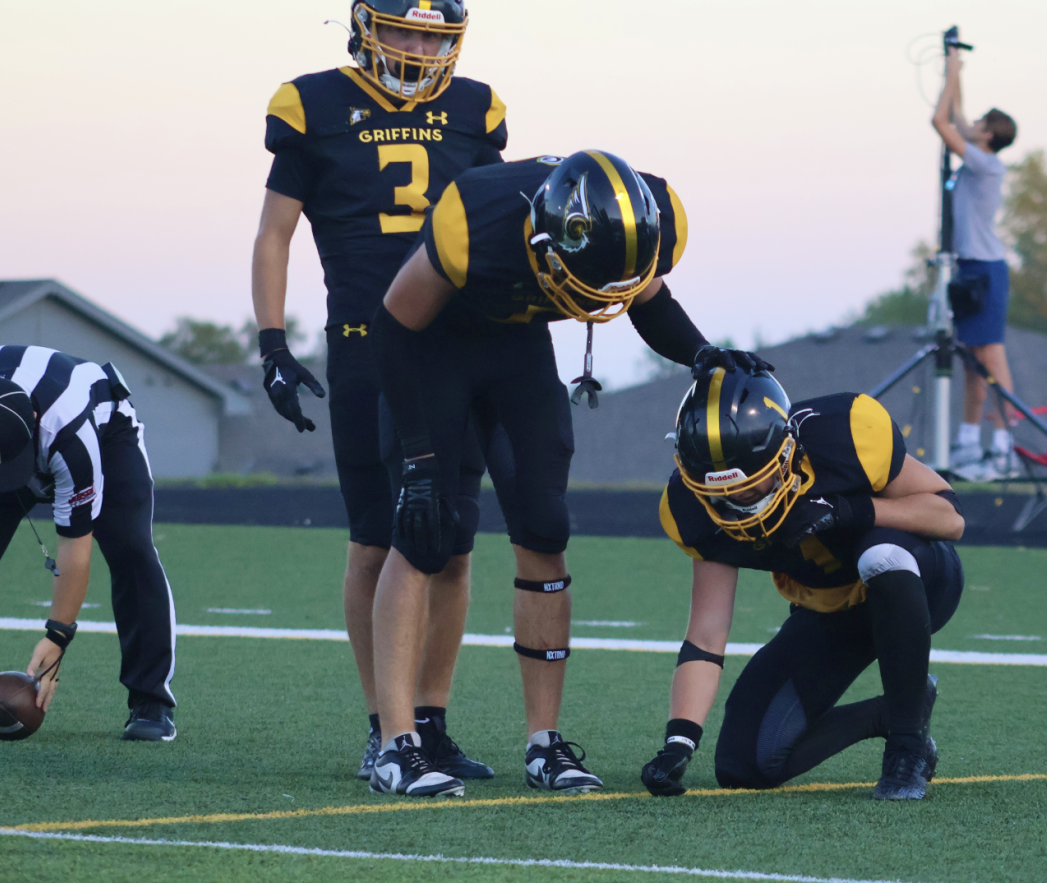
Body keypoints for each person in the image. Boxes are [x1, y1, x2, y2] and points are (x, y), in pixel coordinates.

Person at [369, 149, 771, 797]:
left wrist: (701, 354)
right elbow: (394, 325)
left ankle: (543, 742)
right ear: (547, 242)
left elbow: (646, 295)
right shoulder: (477, 220)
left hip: (518, 352)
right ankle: (397, 744)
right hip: (432, 351)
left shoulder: (633, 220)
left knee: (545, 527)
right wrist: (418, 458)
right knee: (422, 532)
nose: (600, 301)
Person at [251, 0, 509, 781]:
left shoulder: (474, 108)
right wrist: (271, 341)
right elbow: (274, 232)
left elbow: (498, 223)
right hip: (366, 345)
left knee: (454, 545)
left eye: (432, 37)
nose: (416, 47)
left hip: (458, 347)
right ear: (366, 27)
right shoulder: (313, 103)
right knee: (376, 539)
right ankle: (383, 726)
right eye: (403, 30)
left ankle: (429, 722)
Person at [642, 365, 964, 800]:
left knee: (880, 554)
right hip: (832, 612)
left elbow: (949, 516)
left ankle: (906, 746)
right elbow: (706, 634)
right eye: (718, 492)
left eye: (752, 485)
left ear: (785, 450)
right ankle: (892, 711)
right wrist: (679, 741)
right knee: (743, 765)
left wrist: (850, 511)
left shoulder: (842, 435)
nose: (736, 500)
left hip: (918, 581)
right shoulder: (692, 509)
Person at [0, 346, 177, 741]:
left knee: (131, 549)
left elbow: (74, 544)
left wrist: (57, 636)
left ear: (33, 422)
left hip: (105, 429)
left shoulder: (70, 433)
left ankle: (151, 701)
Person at [931, 45, 1019, 479]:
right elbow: (959, 114)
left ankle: (1003, 446)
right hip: (970, 267)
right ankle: (968, 443)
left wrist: (949, 71)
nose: (975, 125)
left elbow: (941, 121)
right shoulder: (982, 152)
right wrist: (956, 69)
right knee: (971, 361)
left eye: (982, 125)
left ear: (988, 136)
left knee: (992, 356)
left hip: (986, 270)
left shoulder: (984, 164)